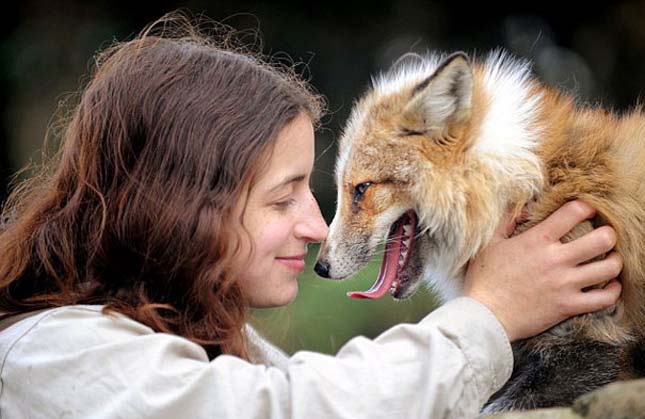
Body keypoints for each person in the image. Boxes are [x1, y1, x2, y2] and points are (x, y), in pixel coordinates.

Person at [0, 15, 622, 419]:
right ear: (180, 206)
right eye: (282, 197)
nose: (320, 227)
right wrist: (489, 317)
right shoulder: (51, 358)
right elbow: (290, 409)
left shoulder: (200, 343)